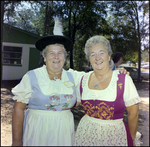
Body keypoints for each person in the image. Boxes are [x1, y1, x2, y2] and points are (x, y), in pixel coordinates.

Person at [11, 17, 128, 146]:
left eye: (60, 53)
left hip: (64, 132)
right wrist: (16, 141)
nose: (56, 57)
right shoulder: (32, 76)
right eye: (51, 53)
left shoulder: (73, 76)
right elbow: (18, 109)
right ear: (44, 57)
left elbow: (98, 74)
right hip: (38, 131)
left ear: (65, 57)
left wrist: (116, 72)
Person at [73, 35, 141, 146]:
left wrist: (132, 139)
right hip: (86, 134)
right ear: (89, 59)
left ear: (109, 56)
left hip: (114, 136)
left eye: (102, 53)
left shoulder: (123, 79)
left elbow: (134, 113)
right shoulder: (83, 79)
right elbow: (75, 101)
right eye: (92, 54)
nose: (97, 58)